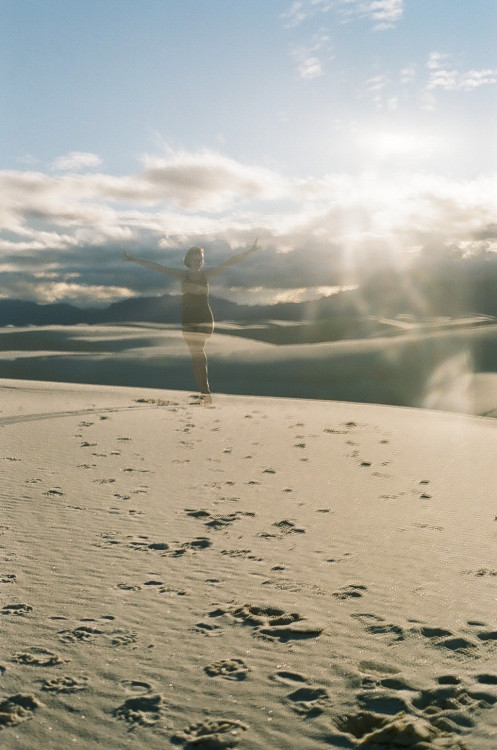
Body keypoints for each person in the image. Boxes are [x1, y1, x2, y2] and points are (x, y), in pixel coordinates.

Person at [123, 239, 260, 401]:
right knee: (195, 356)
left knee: (199, 352)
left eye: (201, 259)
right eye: (195, 259)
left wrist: (250, 251)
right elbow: (159, 267)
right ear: (188, 261)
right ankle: (203, 391)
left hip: (204, 317)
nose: (199, 262)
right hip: (187, 318)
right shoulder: (182, 275)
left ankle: (206, 392)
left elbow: (229, 262)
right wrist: (134, 260)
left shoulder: (206, 275)